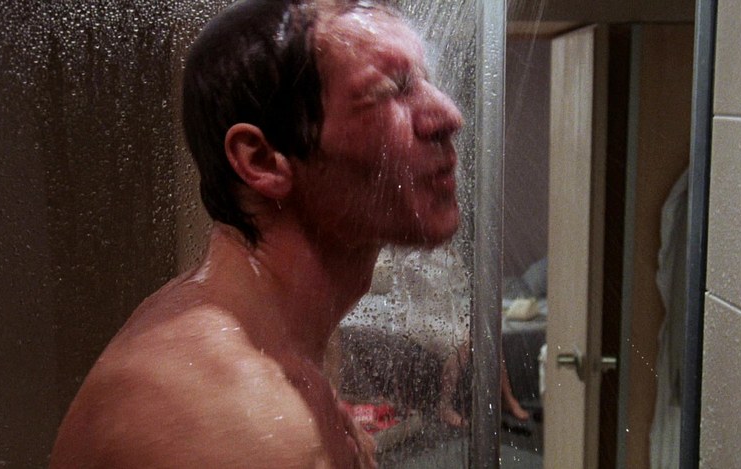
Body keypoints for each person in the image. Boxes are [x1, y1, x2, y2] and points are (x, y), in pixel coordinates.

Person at [49, 0, 463, 467]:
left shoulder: (277, 336)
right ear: (262, 161)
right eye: (390, 90)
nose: (449, 115)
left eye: (425, 82)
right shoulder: (229, 418)